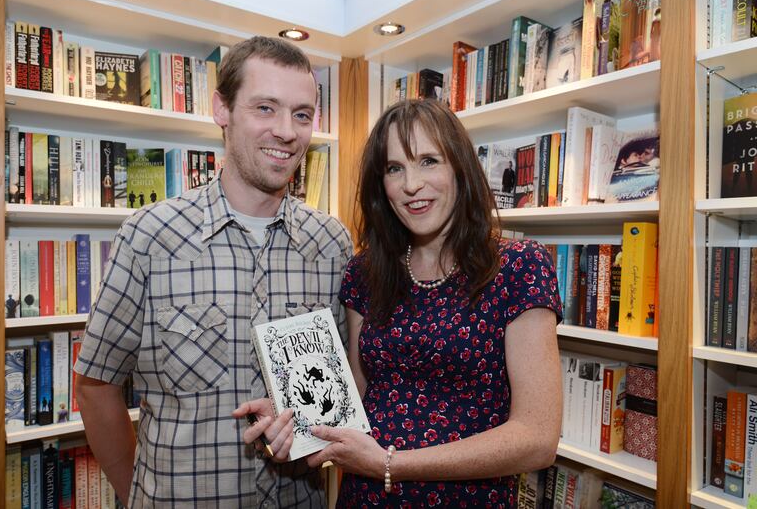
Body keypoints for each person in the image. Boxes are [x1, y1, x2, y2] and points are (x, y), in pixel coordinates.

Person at [74, 36, 352, 507]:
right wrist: (136, 494)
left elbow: (342, 399)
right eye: (266, 108)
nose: (287, 131)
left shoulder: (333, 245)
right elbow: (96, 386)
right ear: (222, 109)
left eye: (302, 114)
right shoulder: (149, 237)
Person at [305, 99, 562, 507]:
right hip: (365, 497)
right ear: (381, 185)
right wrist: (290, 415)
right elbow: (353, 395)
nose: (411, 184)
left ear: (460, 168)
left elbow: (537, 440)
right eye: (394, 168)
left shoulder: (517, 267)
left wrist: (391, 464)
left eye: (428, 161)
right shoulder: (365, 273)